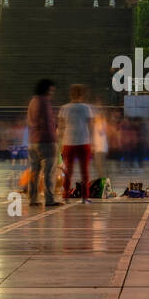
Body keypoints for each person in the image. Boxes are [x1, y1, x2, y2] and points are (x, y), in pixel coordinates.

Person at [27, 78, 60, 207]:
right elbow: (48, 123)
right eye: (51, 90)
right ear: (46, 89)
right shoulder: (45, 102)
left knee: (34, 171)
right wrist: (55, 139)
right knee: (49, 172)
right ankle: (49, 199)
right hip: (46, 141)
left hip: (33, 141)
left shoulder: (32, 102)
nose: (52, 93)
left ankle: (33, 199)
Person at [59, 84, 94, 203]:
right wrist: (93, 142)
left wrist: (60, 143)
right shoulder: (86, 108)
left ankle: (66, 195)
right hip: (84, 141)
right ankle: (85, 197)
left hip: (68, 142)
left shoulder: (64, 108)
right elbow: (91, 125)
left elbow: (61, 127)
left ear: (71, 94)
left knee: (68, 170)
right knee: (85, 171)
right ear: (82, 94)